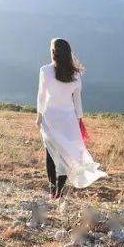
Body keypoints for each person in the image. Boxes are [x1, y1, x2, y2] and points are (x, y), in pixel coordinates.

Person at [36, 38, 107, 198]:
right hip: (68, 120)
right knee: (66, 156)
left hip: (50, 118)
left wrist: (39, 116)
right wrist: (80, 119)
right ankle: (58, 193)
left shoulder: (45, 71)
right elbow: (77, 101)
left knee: (51, 154)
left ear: (54, 52)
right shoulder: (75, 74)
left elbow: (41, 96)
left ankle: (52, 191)